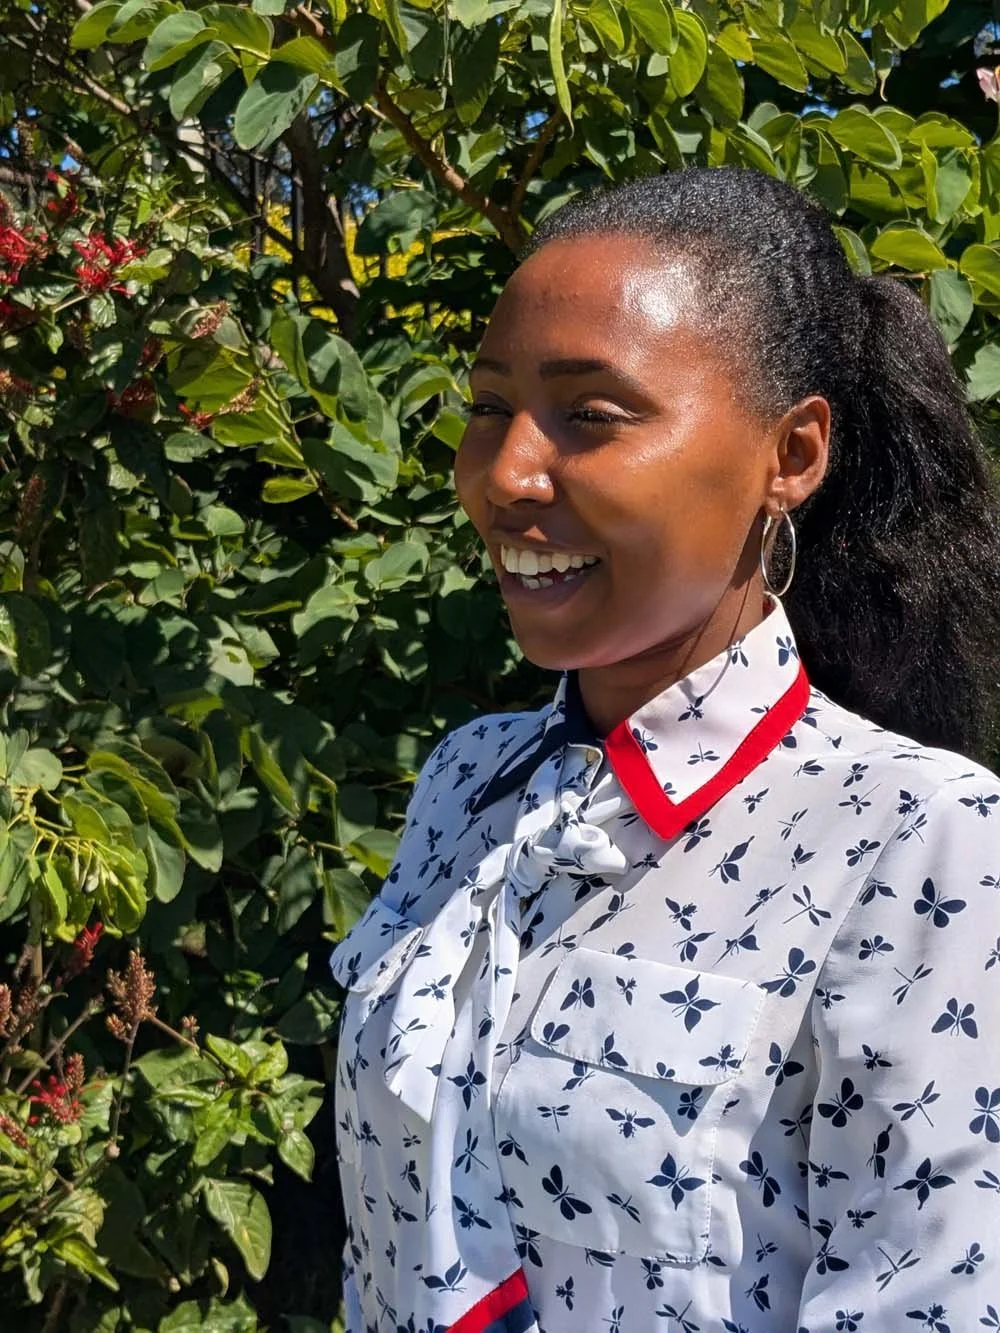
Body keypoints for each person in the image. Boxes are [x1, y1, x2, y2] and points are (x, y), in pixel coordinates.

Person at [330, 168, 1000, 1332]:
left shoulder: (919, 838)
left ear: (790, 454)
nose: (505, 474)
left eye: (591, 416)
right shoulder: (467, 781)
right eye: (489, 407)